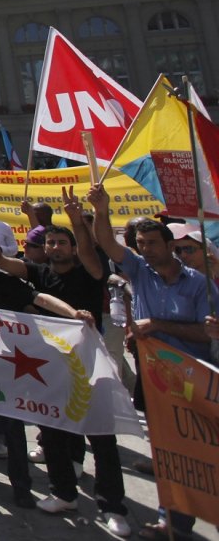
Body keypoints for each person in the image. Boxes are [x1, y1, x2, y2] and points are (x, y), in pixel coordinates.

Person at [0, 188, 128, 536]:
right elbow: (0, 261)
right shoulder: (37, 273)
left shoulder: (89, 270)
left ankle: (113, 506)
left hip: (90, 366)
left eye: (60, 243)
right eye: (49, 243)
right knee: (51, 431)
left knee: (101, 437)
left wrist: (77, 221)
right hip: (51, 367)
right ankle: (64, 493)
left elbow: (88, 248)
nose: (54, 248)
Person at [88, 184, 210, 538]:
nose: (145, 250)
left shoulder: (200, 285)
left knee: (188, 451)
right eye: (140, 245)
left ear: (171, 245)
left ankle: (177, 519)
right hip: (155, 375)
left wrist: (156, 325)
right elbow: (108, 245)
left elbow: (206, 334)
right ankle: (171, 519)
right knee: (169, 450)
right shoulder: (140, 272)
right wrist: (101, 211)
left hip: (192, 378)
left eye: (152, 243)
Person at [0, 214, 90, 510]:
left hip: (10, 369)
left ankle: (21, 487)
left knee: (13, 431)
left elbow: (41, 300)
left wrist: (74, 314)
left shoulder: (8, 285)